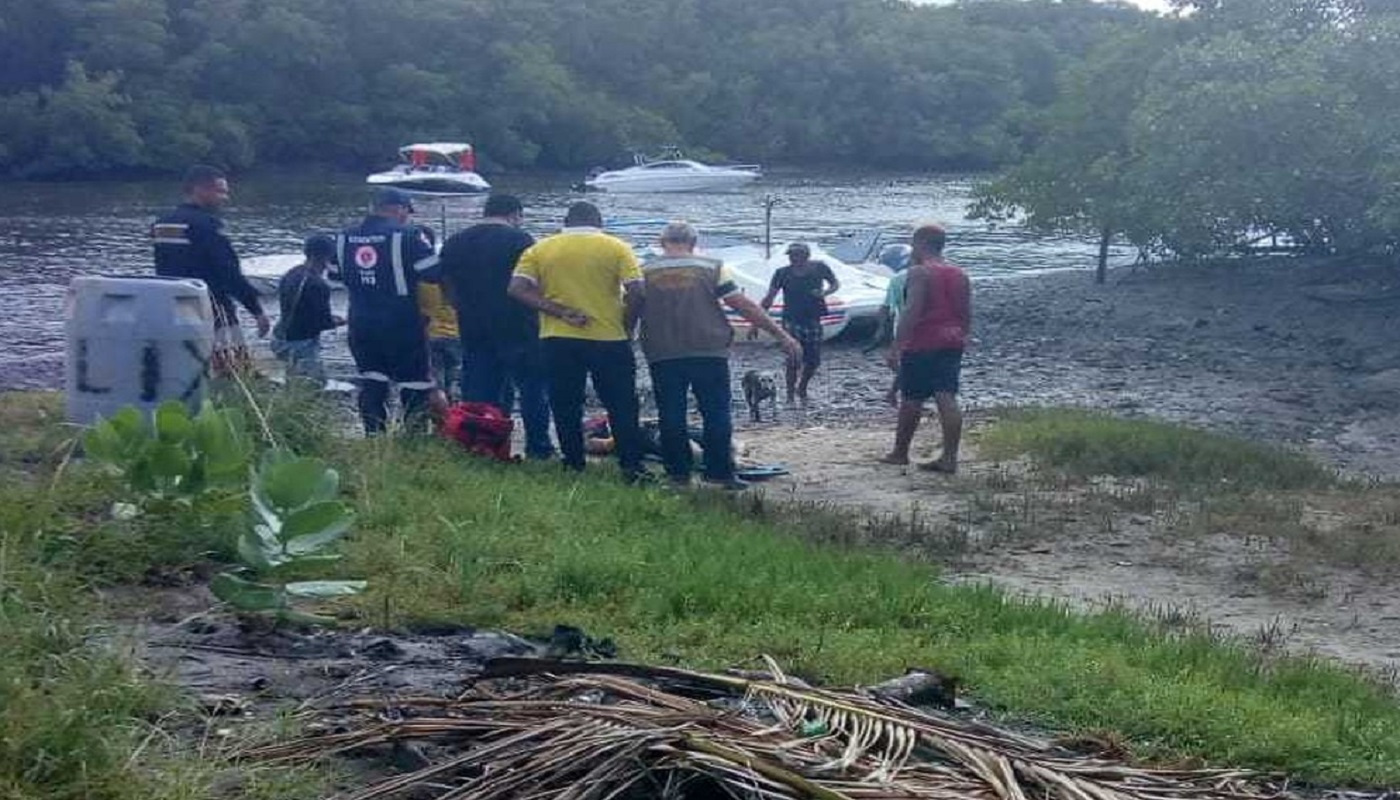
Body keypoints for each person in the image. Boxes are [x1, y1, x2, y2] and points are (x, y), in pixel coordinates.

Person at [638, 221, 802, 489]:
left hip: (663, 350)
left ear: (661, 242)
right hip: (709, 348)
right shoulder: (712, 267)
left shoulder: (645, 270)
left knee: (671, 414)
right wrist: (780, 334)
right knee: (716, 412)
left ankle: (678, 475)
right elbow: (741, 304)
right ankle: (719, 473)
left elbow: (632, 306)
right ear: (694, 243)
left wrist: (622, 337)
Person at [508, 201, 646, 481]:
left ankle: (573, 462)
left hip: (558, 336)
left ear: (566, 222)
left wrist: (558, 310)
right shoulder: (617, 247)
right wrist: (627, 326)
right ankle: (631, 465)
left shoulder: (540, 249)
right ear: (599, 222)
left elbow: (517, 289)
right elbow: (638, 291)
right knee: (621, 402)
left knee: (565, 402)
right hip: (609, 336)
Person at [436, 194, 554, 459]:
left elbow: (443, 280)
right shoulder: (520, 240)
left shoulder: (456, 241)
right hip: (518, 324)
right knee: (532, 388)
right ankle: (538, 448)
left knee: (480, 389)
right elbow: (534, 282)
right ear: (515, 214)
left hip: (473, 324)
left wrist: (458, 304)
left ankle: (483, 445)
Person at [151, 164, 270, 375]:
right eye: (220, 191)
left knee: (184, 368)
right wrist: (256, 310)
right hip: (212, 307)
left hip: (173, 306)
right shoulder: (207, 225)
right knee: (232, 369)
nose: (225, 198)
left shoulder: (161, 224)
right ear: (199, 189)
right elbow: (228, 272)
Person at [336, 188, 438, 434]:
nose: (407, 217)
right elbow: (433, 272)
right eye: (407, 212)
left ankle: (373, 435)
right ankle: (414, 437)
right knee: (414, 382)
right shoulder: (409, 235)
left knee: (372, 379)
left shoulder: (344, 236)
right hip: (401, 321)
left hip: (360, 320)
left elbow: (334, 276)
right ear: (399, 209)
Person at [881, 223, 971, 473]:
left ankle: (900, 452)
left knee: (912, 397)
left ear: (920, 243)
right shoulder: (960, 273)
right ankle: (950, 457)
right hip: (951, 339)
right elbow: (965, 313)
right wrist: (963, 335)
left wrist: (896, 346)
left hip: (923, 341)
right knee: (946, 395)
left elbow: (912, 310)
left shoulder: (920, 272)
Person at [758, 242, 839, 404]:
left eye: (797, 255)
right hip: (791, 319)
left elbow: (835, 284)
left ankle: (802, 387)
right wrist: (756, 322)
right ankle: (789, 394)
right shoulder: (782, 273)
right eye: (791, 256)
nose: (793, 259)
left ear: (806, 256)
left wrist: (824, 292)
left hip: (813, 318)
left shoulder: (819, 268)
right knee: (793, 359)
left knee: (813, 360)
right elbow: (769, 297)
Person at [272, 234, 345, 383]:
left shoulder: (291, 273)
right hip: (301, 343)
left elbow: (299, 309)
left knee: (293, 380)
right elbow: (323, 323)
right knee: (314, 384)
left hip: (279, 337)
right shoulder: (318, 285)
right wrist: (343, 321)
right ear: (327, 257)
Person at [418, 280, 461, 399]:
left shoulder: (425, 286)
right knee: (455, 380)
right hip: (455, 336)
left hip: (433, 336)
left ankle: (440, 408)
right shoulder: (456, 286)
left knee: (437, 383)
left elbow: (423, 315)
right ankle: (456, 406)